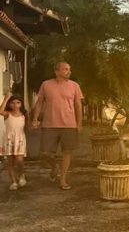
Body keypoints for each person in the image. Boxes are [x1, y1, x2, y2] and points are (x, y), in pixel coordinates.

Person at [31, 61, 84, 191]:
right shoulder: (46, 84)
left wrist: (79, 123)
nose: (69, 71)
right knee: (45, 153)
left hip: (69, 125)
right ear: (57, 71)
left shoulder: (74, 86)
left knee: (67, 152)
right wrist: (35, 119)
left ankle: (63, 179)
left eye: (69, 69)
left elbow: (78, 106)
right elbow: (39, 103)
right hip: (49, 124)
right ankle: (54, 167)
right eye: (65, 69)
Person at [4, 95, 28, 190]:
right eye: (13, 103)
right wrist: (6, 99)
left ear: (21, 104)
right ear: (9, 104)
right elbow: (0, 112)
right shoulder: (7, 114)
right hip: (9, 139)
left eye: (18, 102)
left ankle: (21, 175)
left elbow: (28, 126)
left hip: (20, 139)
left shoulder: (23, 115)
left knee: (19, 160)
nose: (15, 105)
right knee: (10, 162)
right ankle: (14, 182)